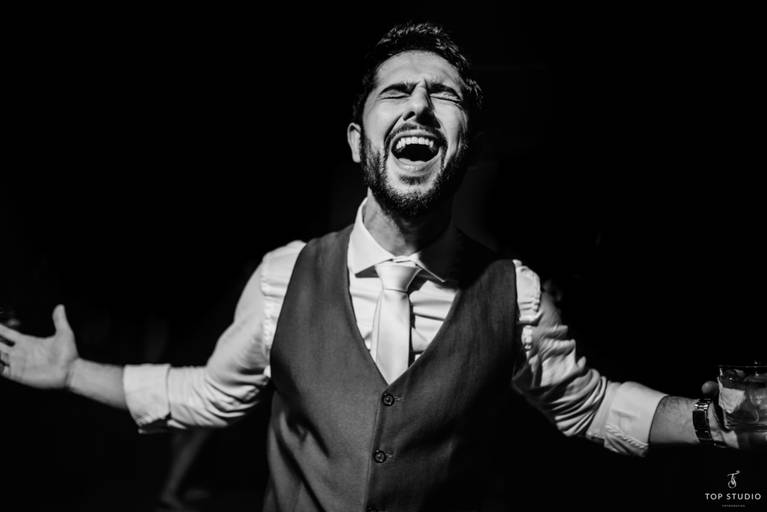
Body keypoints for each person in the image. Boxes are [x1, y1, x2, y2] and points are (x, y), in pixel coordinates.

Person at [0, 21, 761, 512]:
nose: (420, 105)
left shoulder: (518, 296)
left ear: (467, 145)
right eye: (397, 91)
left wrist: (713, 423)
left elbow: (591, 406)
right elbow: (207, 394)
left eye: (444, 95)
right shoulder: (282, 278)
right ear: (358, 140)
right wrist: (72, 375)